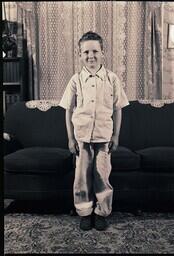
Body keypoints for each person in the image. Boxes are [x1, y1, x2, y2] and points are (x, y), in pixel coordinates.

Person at [59, 31, 129, 231]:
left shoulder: (112, 79)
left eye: (95, 51)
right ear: (80, 55)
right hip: (82, 137)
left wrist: (115, 135)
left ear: (103, 53)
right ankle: (85, 211)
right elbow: (68, 110)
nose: (91, 56)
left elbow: (118, 108)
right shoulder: (76, 80)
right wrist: (70, 138)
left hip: (103, 137)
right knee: (81, 176)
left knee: (102, 175)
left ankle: (101, 212)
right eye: (86, 52)